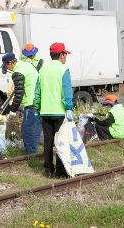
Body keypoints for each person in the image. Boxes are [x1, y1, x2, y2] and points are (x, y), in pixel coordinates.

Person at [34, 42, 74, 178]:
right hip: (60, 113)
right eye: (65, 54)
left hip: (45, 112)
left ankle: (48, 170)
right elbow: (67, 92)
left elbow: (37, 92)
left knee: (48, 142)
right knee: (61, 142)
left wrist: (37, 107)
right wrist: (69, 108)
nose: (66, 57)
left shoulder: (42, 70)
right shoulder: (64, 70)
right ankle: (61, 172)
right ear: (61, 55)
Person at [1, 52, 41, 154]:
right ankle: (34, 152)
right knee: (35, 129)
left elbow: (19, 92)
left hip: (31, 103)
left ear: (10, 63)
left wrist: (13, 110)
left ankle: (31, 154)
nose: (6, 68)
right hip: (39, 101)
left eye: (6, 65)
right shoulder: (26, 65)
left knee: (27, 130)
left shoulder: (17, 72)